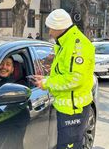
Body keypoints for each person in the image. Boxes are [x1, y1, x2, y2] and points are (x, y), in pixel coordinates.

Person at [31, 9, 95, 149]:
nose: (49, 32)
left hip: (73, 110)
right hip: (67, 108)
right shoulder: (66, 43)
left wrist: (47, 83)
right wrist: (46, 78)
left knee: (69, 146)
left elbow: (74, 79)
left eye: (50, 28)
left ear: (58, 27)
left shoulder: (76, 46)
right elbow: (64, 72)